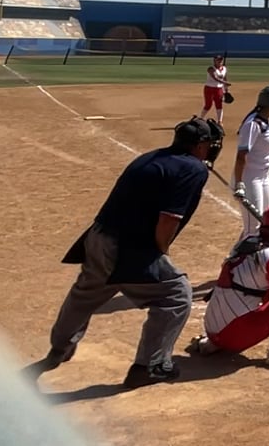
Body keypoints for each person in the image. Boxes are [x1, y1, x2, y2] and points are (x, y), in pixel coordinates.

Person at [29, 117, 222, 388]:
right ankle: (149, 366)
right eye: (209, 144)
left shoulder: (151, 157)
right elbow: (169, 219)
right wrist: (160, 253)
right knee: (176, 295)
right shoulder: (193, 168)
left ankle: (59, 349)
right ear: (200, 145)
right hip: (126, 248)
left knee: (86, 293)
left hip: (97, 237)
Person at [187, 201, 269, 367]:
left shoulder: (247, 242)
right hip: (234, 336)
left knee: (256, 290)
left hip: (212, 330)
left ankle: (213, 343)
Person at [232, 85, 269, 245]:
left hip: (263, 176)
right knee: (253, 228)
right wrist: (239, 183)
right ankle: (237, 259)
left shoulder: (266, 122)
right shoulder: (253, 124)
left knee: (266, 223)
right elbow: (241, 156)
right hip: (250, 178)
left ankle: (242, 256)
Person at [200, 55, 229, 122]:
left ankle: (220, 121)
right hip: (209, 89)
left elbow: (225, 78)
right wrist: (224, 82)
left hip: (219, 89)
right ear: (214, 61)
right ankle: (200, 118)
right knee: (208, 105)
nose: (220, 61)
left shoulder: (224, 69)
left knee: (219, 104)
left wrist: (226, 89)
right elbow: (215, 78)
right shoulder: (211, 69)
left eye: (221, 60)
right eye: (218, 60)